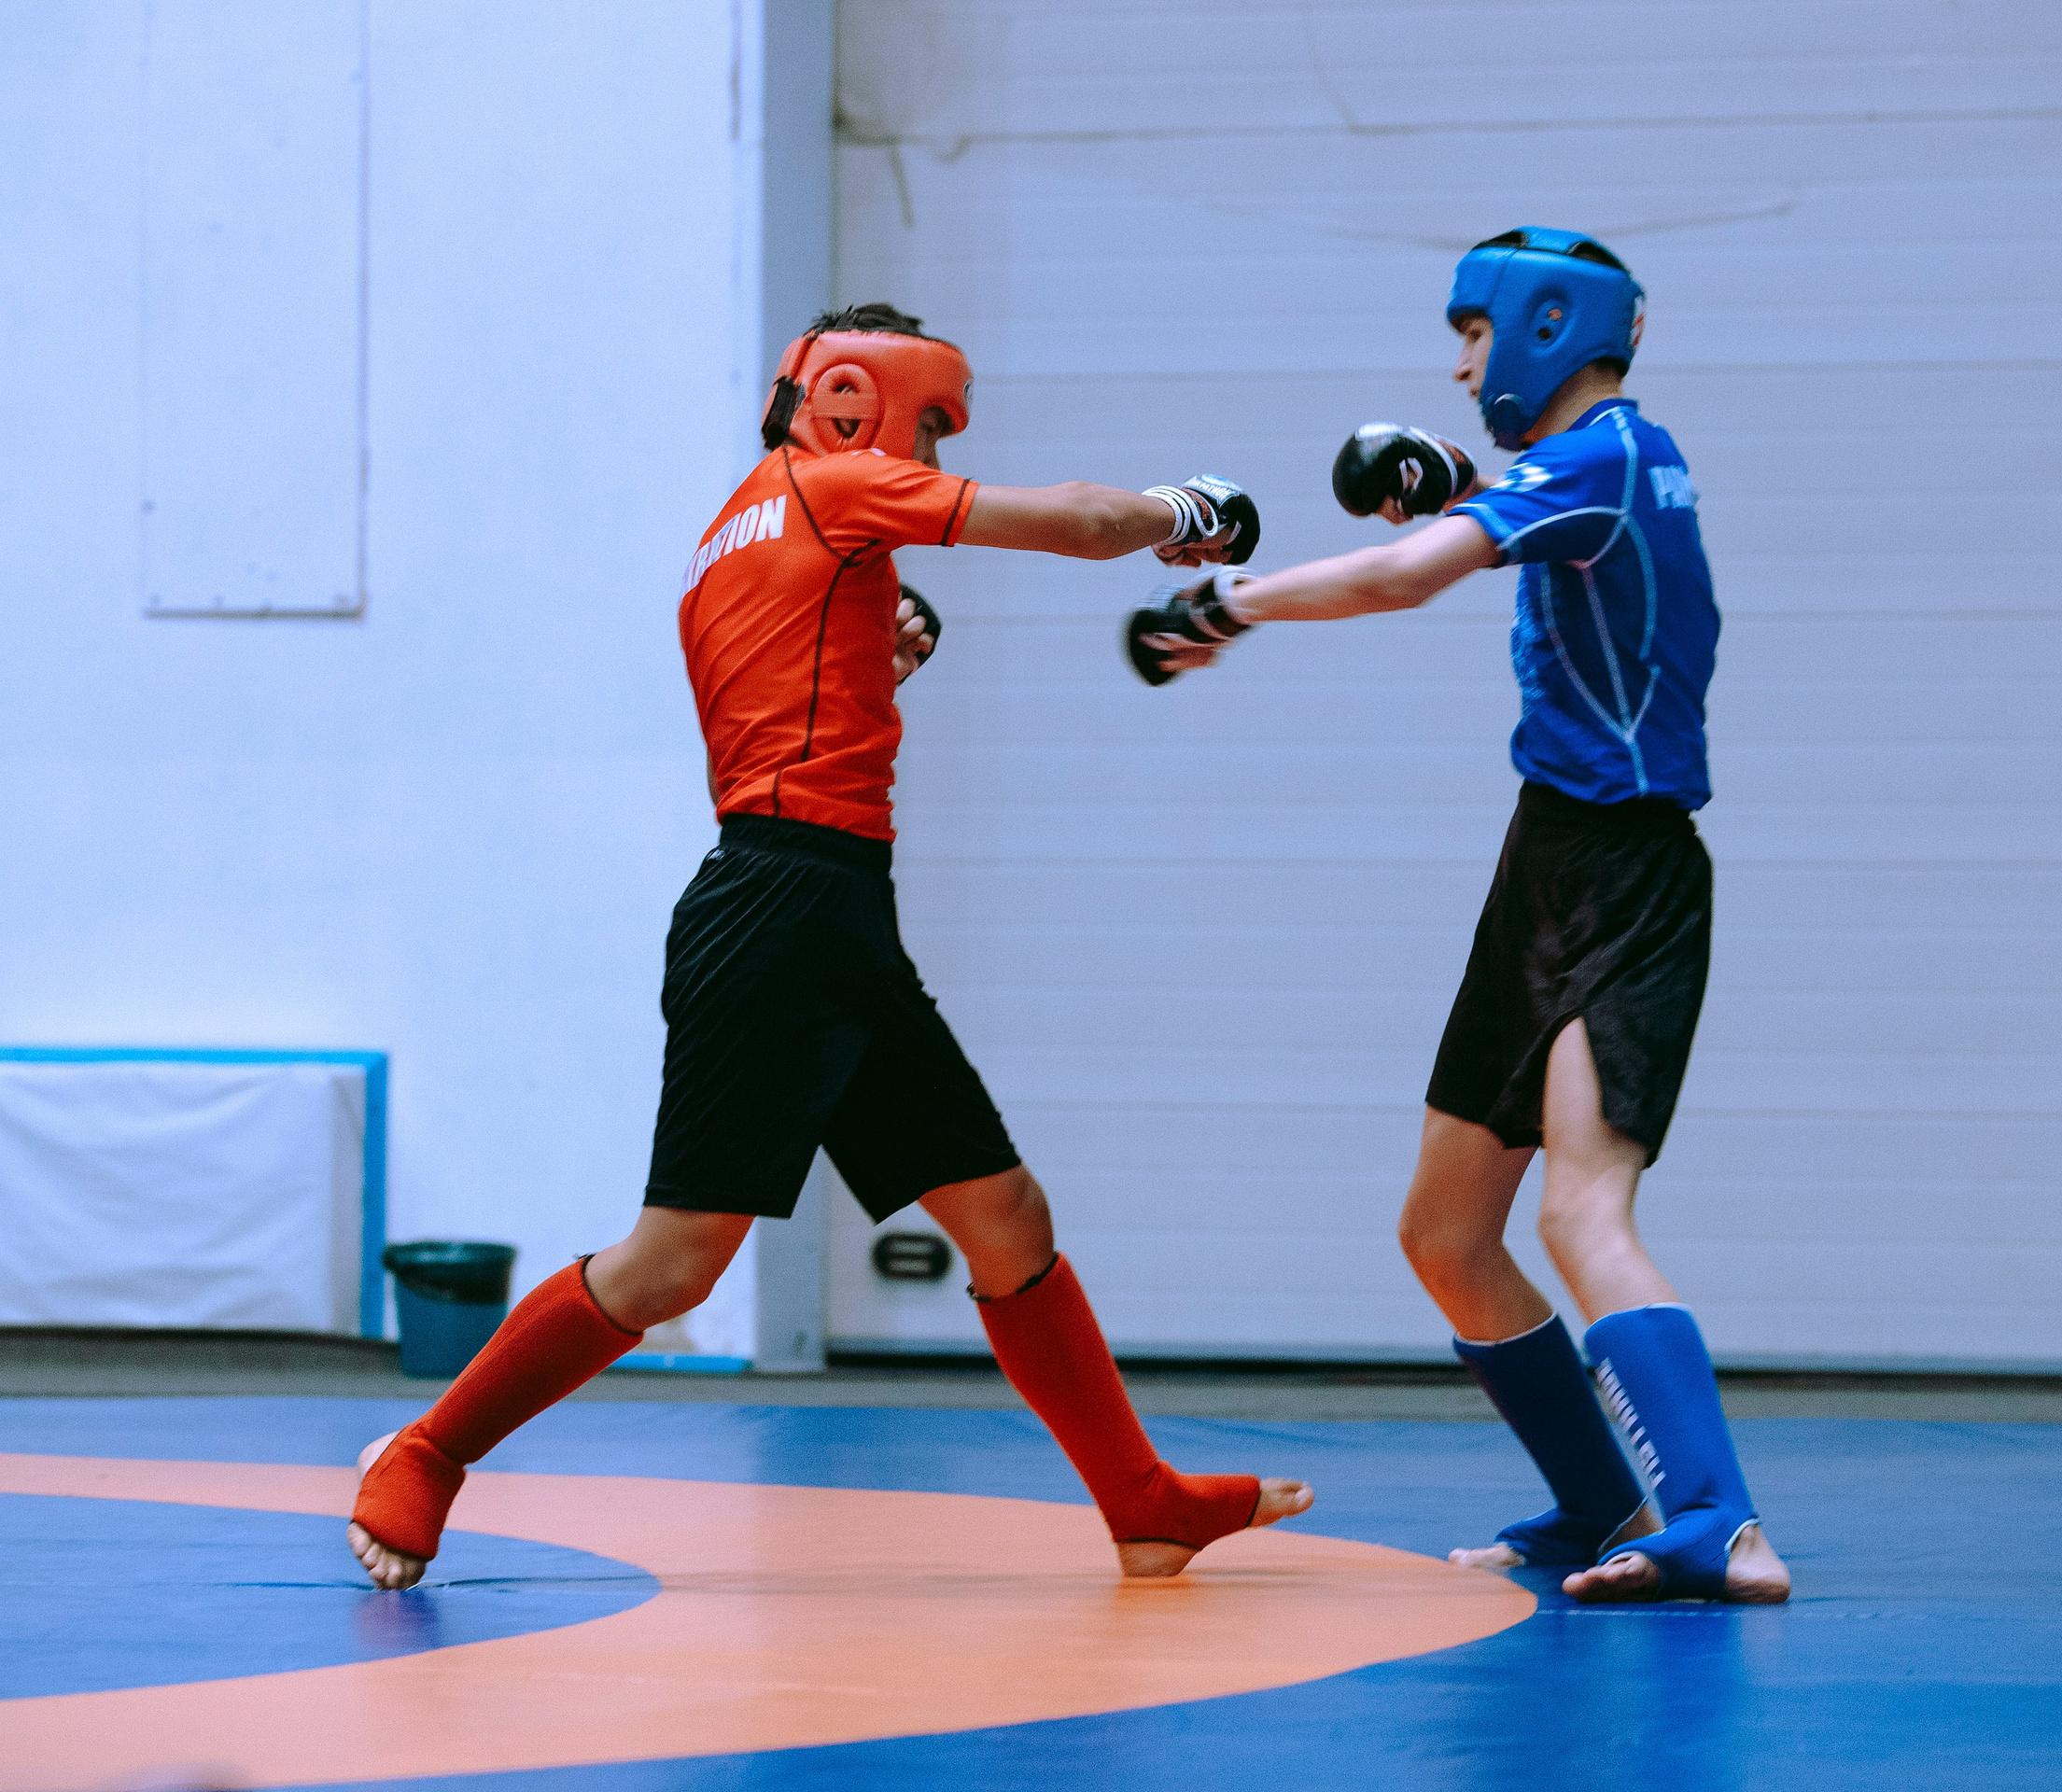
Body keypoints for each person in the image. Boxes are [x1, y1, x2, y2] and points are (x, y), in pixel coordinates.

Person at [349, 303, 1310, 1591]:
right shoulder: (828, 481)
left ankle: (1141, 1500)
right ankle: (429, 1449)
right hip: (782, 913)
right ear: (854, 395)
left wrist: (874, 655)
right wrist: (1189, 510)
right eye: (924, 417)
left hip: (832, 913)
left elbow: (788, 708)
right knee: (673, 1263)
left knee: (1006, 1216)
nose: (922, 443)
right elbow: (1085, 523)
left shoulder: (732, 526)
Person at [1121, 231, 1788, 1603]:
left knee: (1583, 1212)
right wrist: (1460, 488)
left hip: (1625, 873)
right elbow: (1523, 539)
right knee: (1445, 1233)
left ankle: (1721, 1523)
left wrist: (1223, 605)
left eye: (1473, 332)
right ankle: (1607, 1508)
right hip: (1549, 865)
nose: (1460, 360)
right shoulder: (1607, 463)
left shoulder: (1603, 455)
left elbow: (1406, 576)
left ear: (1549, 323)